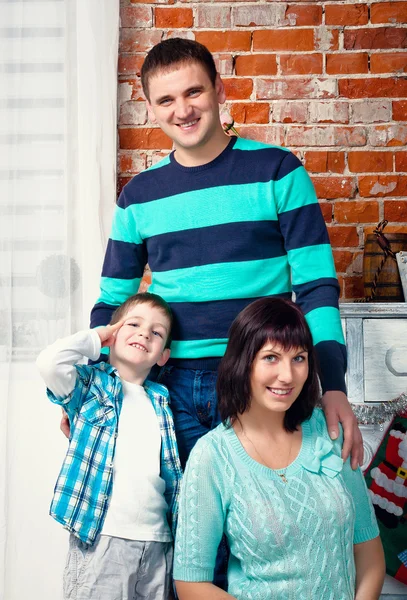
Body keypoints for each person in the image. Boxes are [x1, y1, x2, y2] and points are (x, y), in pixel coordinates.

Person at [86, 37, 362, 477]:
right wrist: (91, 388)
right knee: (188, 536)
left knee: (269, 532)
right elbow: (111, 304)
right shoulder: (137, 197)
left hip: (262, 380)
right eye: (166, 100)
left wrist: (334, 387)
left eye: (194, 92)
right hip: (170, 388)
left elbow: (316, 288)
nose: (183, 110)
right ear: (151, 108)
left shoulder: (278, 171)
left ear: (219, 89)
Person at [173, 297, 385, 600]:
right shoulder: (212, 456)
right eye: (271, 357)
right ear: (242, 362)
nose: (287, 375)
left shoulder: (330, 431)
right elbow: (191, 584)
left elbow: (370, 553)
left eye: (298, 358)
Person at [37, 292, 182, 600]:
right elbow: (49, 363)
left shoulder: (161, 400)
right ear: (112, 335)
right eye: (134, 324)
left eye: (156, 332)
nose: (144, 332)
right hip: (103, 537)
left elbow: (170, 475)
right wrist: (97, 336)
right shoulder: (91, 386)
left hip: (158, 542)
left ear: (162, 356)